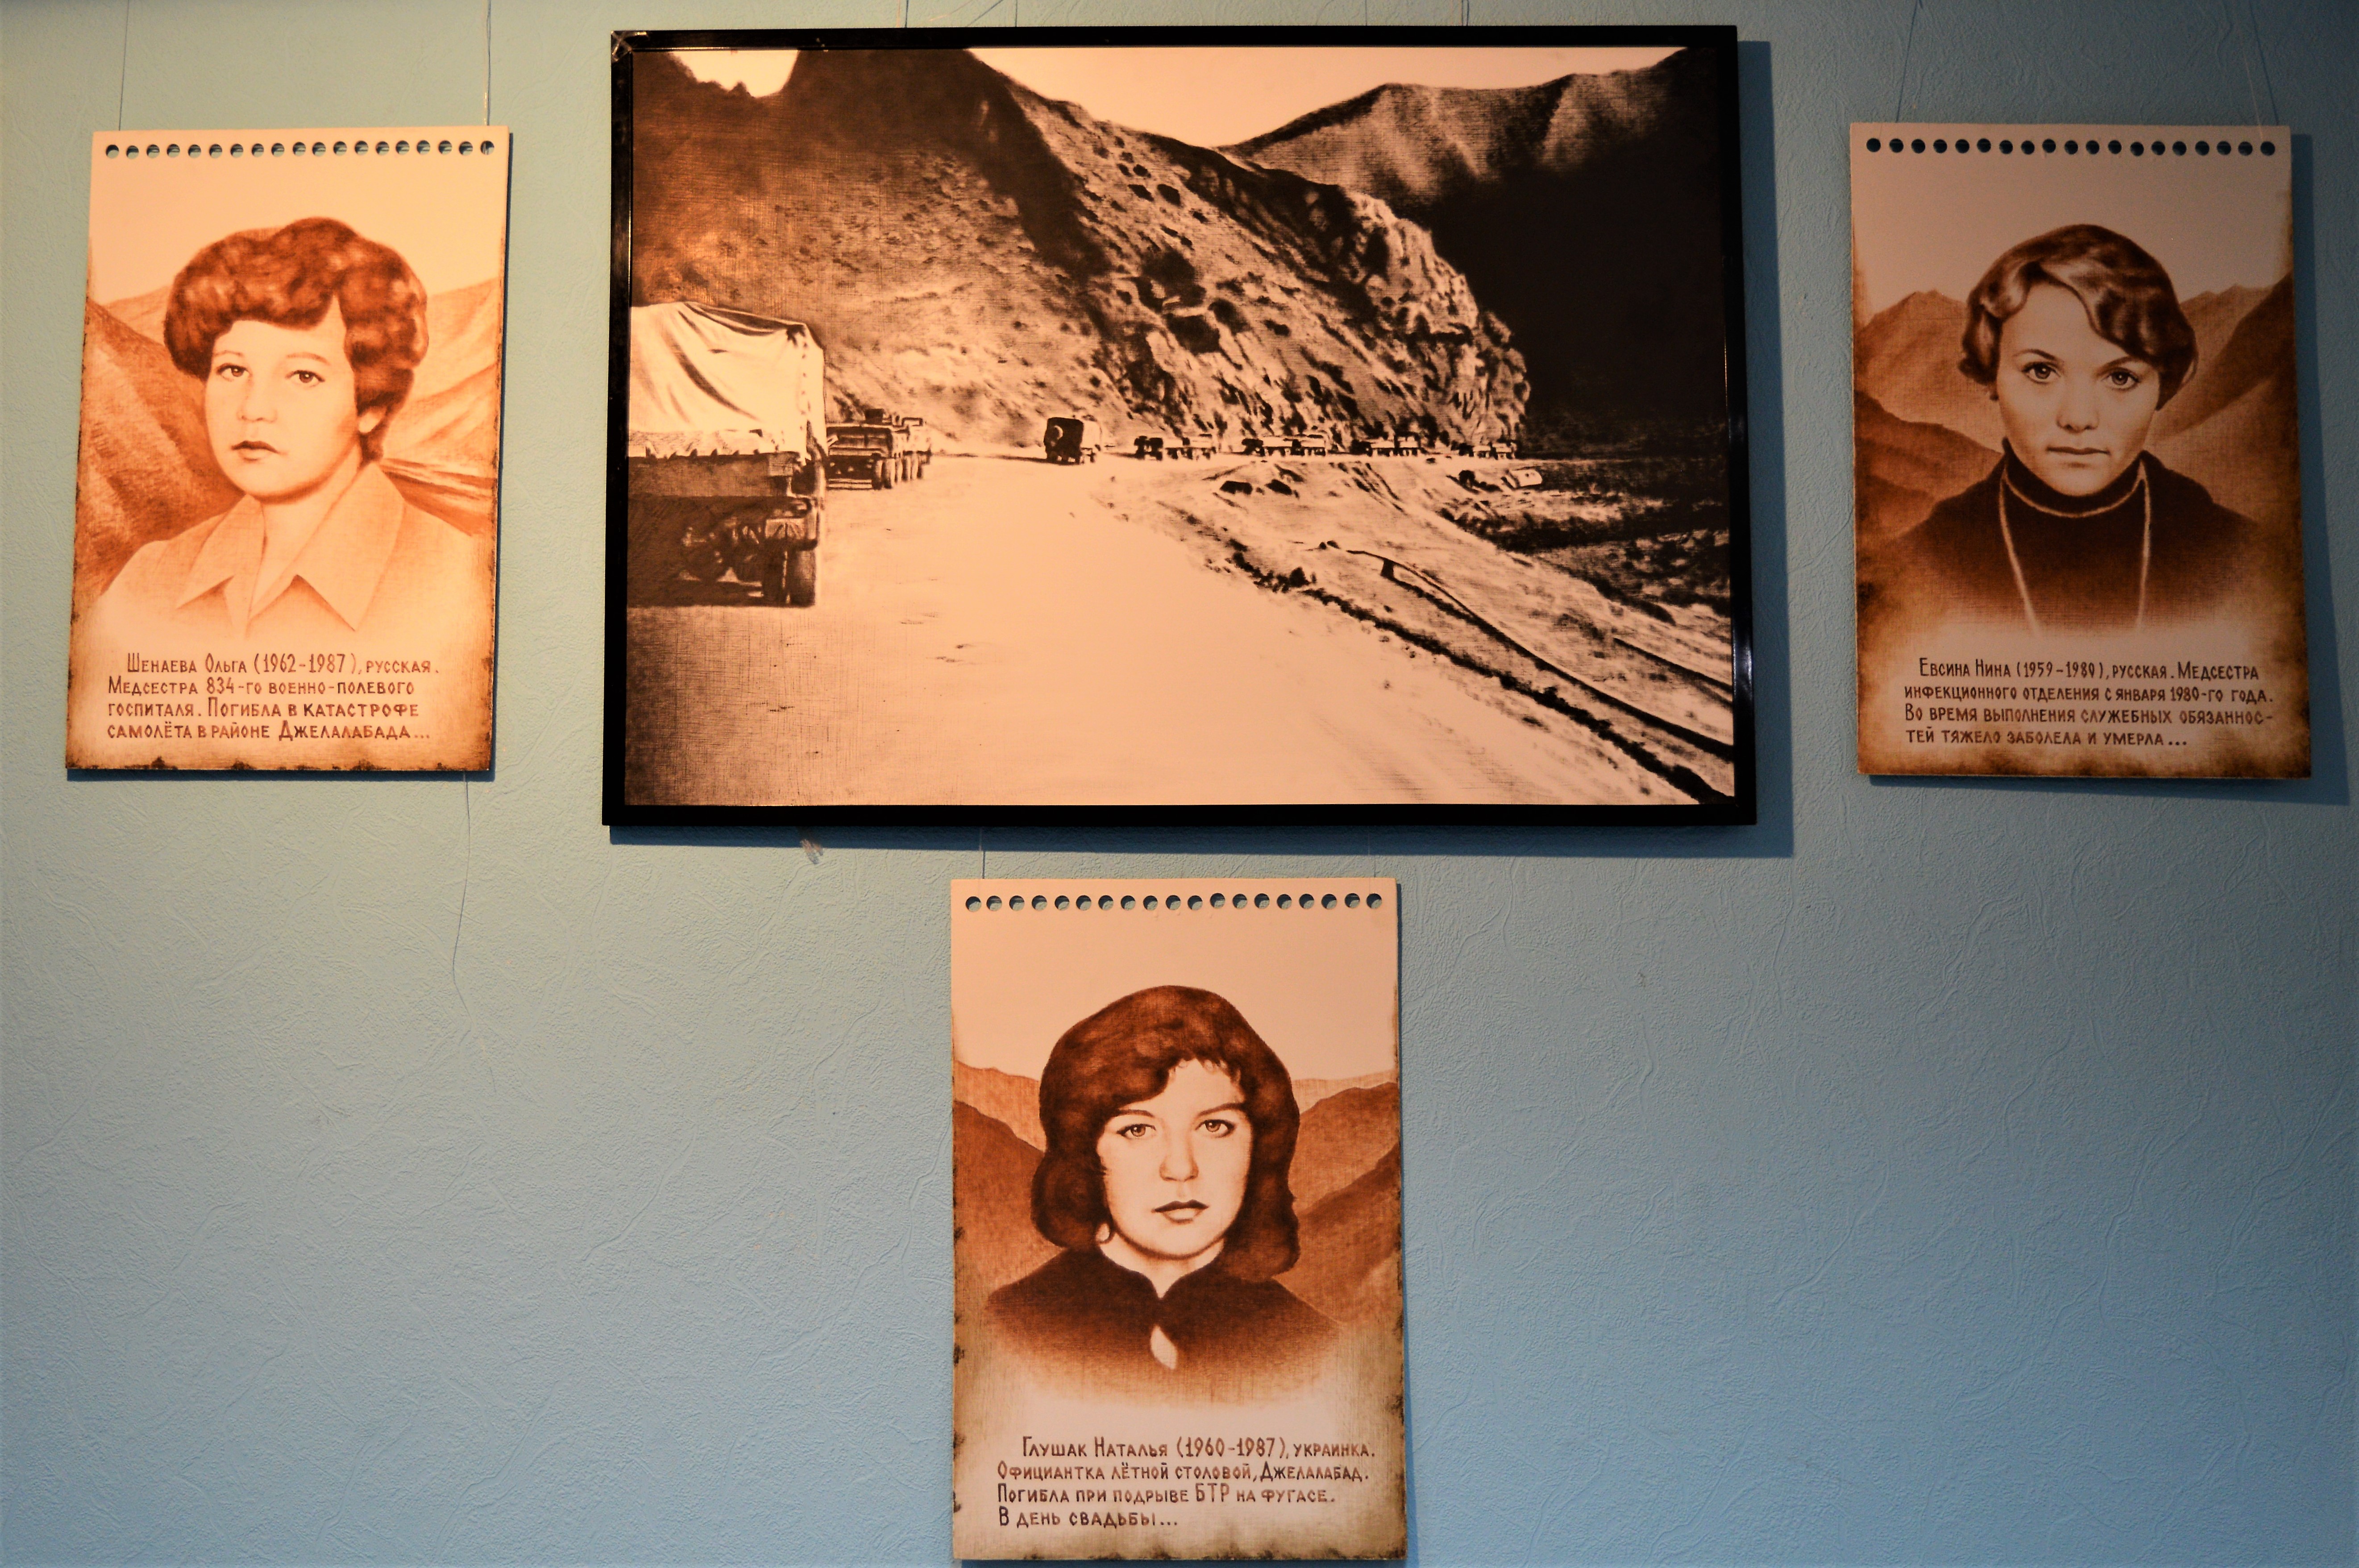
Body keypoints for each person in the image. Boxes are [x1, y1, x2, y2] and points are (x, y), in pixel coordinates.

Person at [85, 217, 482, 643]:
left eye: (303, 377)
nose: (253, 409)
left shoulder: (462, 586)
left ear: (371, 404)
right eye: (233, 370)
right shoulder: (148, 582)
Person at [1884, 224, 2259, 634]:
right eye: (2041, 371)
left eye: (2120, 378)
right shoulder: (1914, 569)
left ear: (2164, 383)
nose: (2078, 418)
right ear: (1992, 373)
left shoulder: (2246, 561)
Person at [987, 985, 1335, 1398]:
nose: (1182, 1169)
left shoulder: (1319, 1350)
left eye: (1215, 1126)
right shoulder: (1003, 1332)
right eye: (1137, 1130)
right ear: (1084, 1150)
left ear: (1259, 1144)